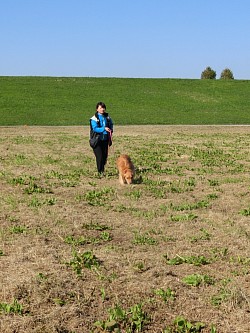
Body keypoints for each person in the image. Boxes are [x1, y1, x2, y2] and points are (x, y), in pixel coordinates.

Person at [89, 102, 113, 175]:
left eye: (103, 108)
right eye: (100, 108)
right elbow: (95, 128)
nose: (102, 109)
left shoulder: (108, 117)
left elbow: (111, 124)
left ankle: (102, 170)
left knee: (104, 156)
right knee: (99, 157)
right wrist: (104, 129)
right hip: (97, 140)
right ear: (97, 109)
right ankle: (100, 172)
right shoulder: (94, 119)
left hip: (105, 140)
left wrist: (111, 130)